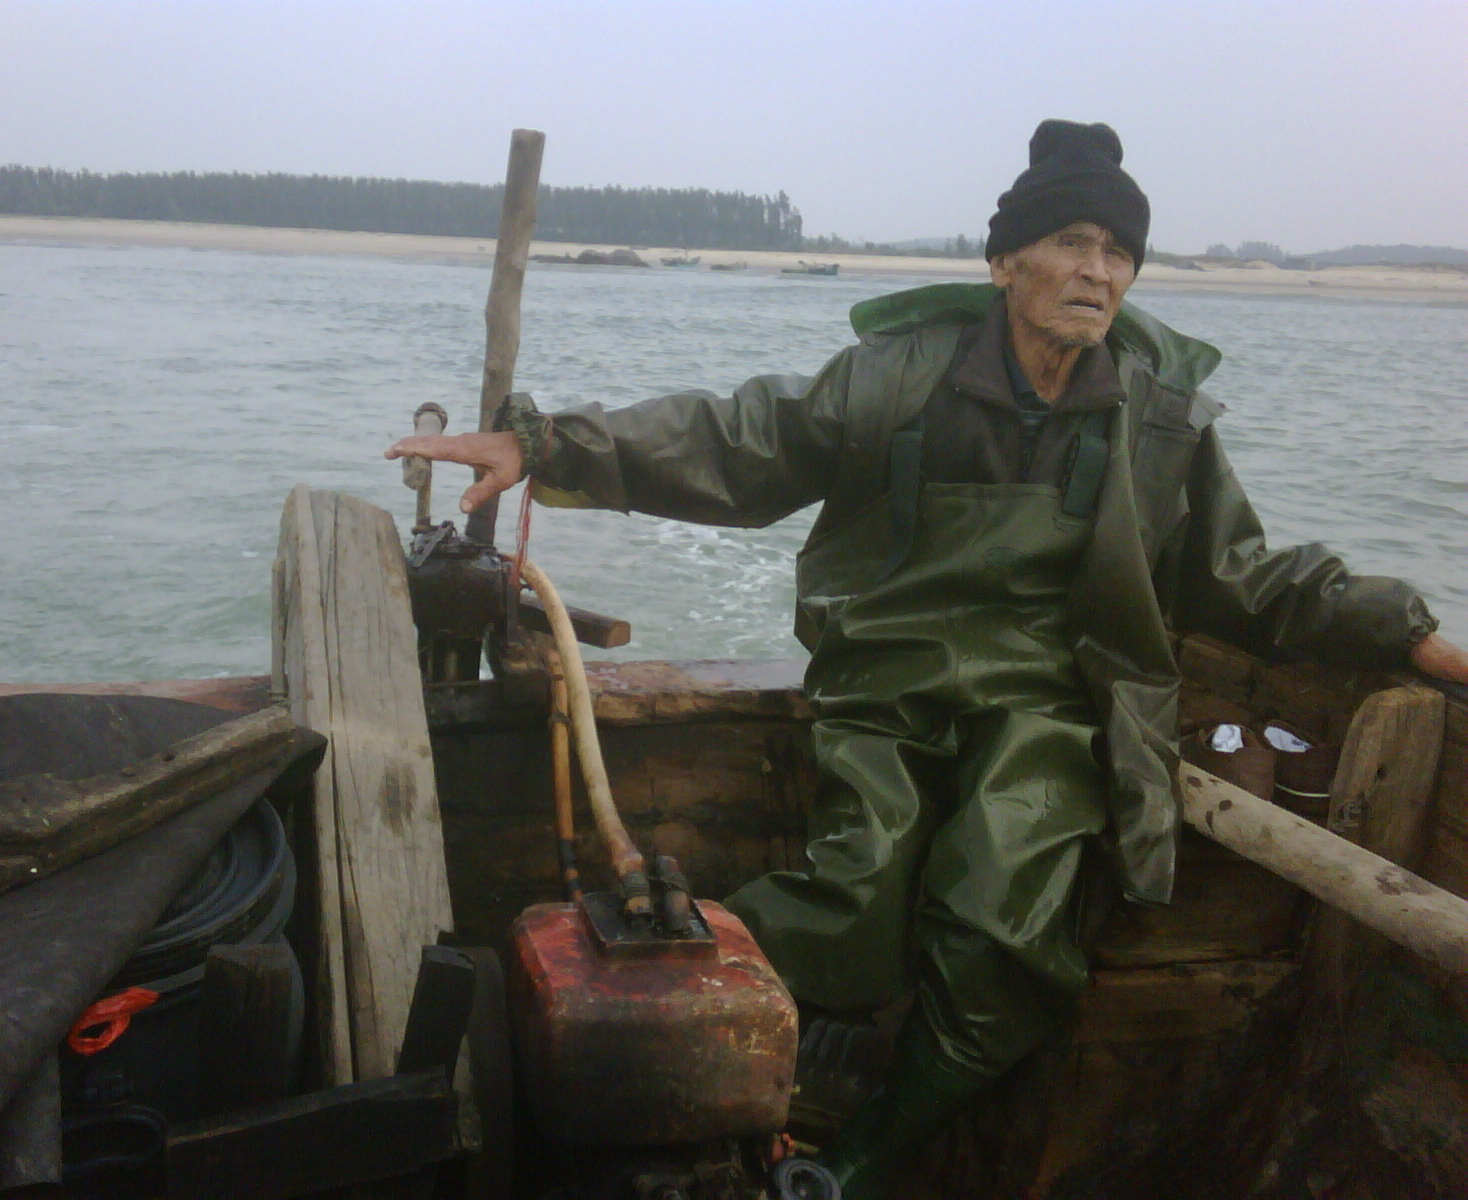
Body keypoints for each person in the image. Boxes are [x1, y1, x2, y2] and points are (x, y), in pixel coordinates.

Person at [388, 120, 1468, 1196]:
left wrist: (1392, 625)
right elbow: (747, 439)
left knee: (1005, 931)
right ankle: (684, 1045)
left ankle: (857, 1160)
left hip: (1049, 700)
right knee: (855, 892)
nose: (1096, 272)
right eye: (1071, 243)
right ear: (1004, 263)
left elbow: (1235, 570)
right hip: (887, 677)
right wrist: (547, 444)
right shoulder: (899, 376)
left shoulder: (1158, 414)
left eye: (1117, 252)